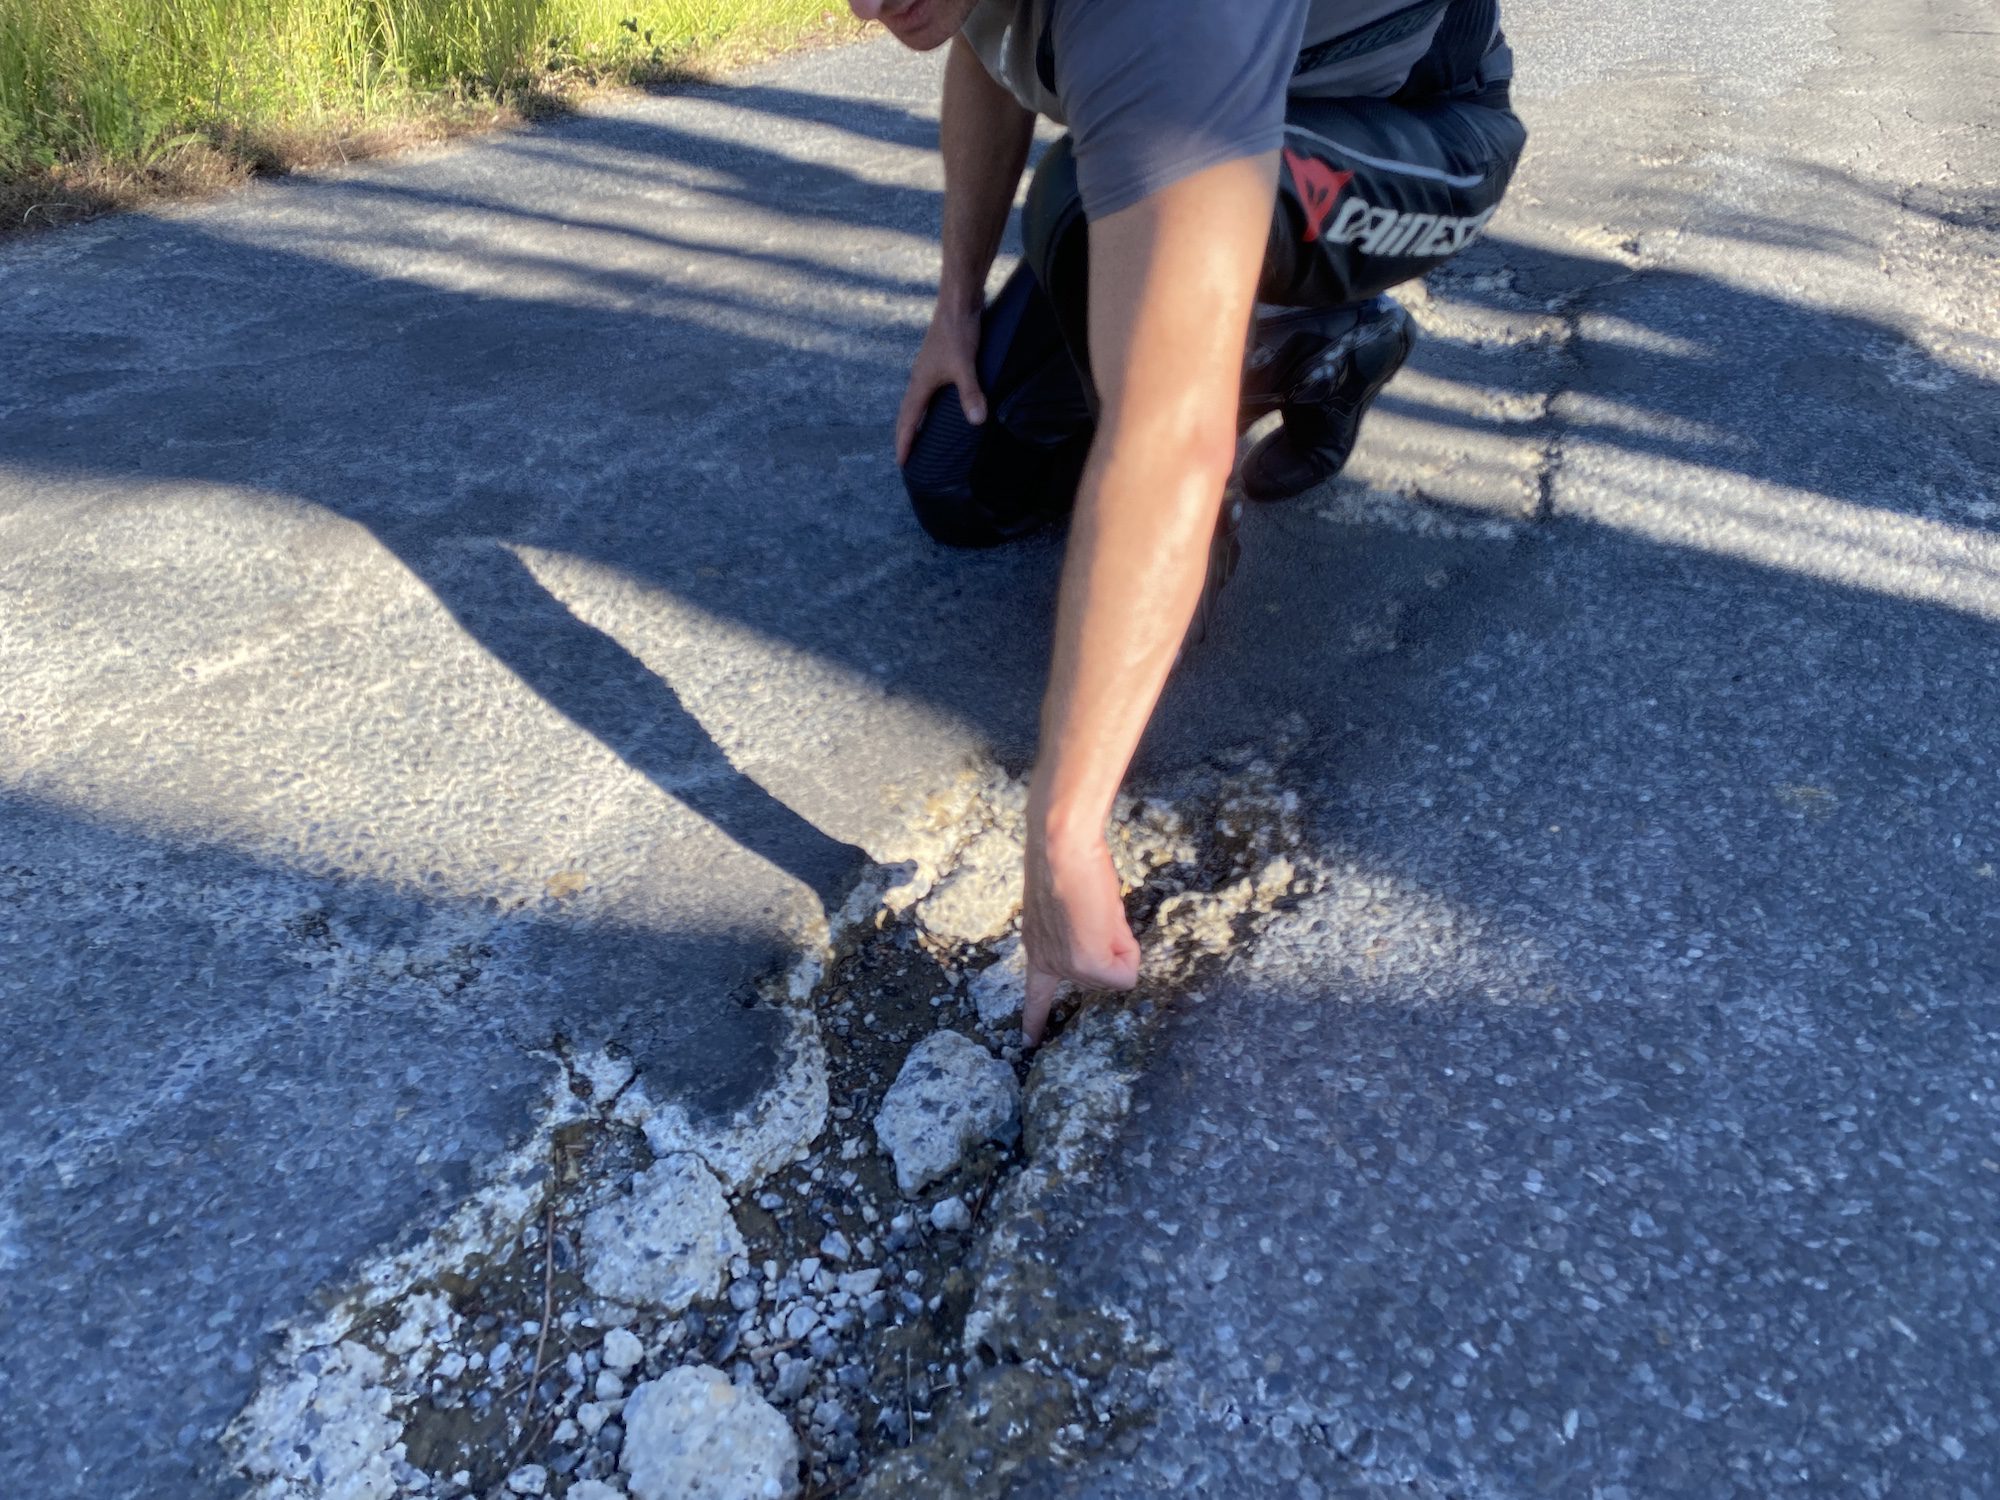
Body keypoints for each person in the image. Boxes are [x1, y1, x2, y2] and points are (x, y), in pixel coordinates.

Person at [847, 0, 1526, 1043]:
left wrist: (1063, 831)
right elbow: (989, 48)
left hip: (1417, 138)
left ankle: (1312, 333)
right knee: (959, 480)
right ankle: (1274, 342)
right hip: (1227, 98)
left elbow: (1166, 435)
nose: (859, 4)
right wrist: (955, 307)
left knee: (1083, 210)